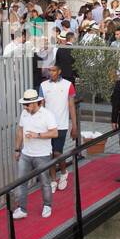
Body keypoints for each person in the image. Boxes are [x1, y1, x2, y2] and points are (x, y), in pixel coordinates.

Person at [13, 88, 57, 219]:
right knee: (21, 182)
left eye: (27, 105)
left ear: (34, 103)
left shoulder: (47, 114)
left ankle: (47, 205)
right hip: (26, 153)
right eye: (24, 105)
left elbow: (55, 133)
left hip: (42, 154)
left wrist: (37, 135)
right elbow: (20, 131)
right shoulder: (24, 114)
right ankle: (22, 208)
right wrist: (17, 149)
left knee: (45, 182)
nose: (25, 107)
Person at [40, 62, 78, 191]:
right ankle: (53, 179)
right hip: (47, 126)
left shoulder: (68, 85)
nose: (51, 73)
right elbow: (41, 107)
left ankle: (63, 173)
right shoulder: (43, 86)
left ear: (59, 71)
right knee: (50, 153)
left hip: (62, 125)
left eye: (54, 70)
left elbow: (71, 106)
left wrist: (74, 125)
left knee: (57, 152)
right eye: (49, 70)